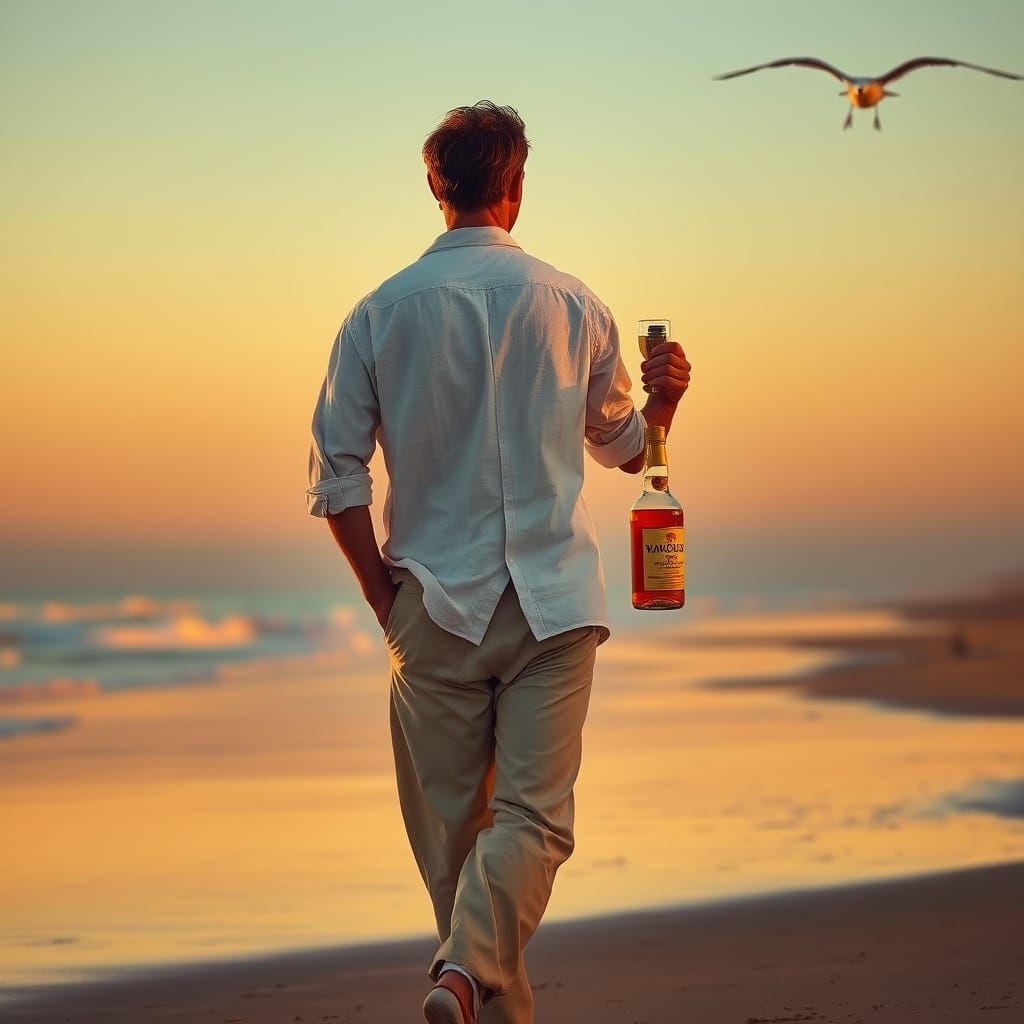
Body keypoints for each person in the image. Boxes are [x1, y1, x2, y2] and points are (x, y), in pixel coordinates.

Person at [306, 100, 691, 1024]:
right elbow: (627, 451)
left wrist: (383, 600)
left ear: (436, 187)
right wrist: (668, 405)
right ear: (515, 186)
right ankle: (463, 987)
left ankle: (456, 982)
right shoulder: (573, 304)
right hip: (555, 603)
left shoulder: (375, 315)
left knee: (453, 854)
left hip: (430, 605)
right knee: (531, 824)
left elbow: (336, 477)